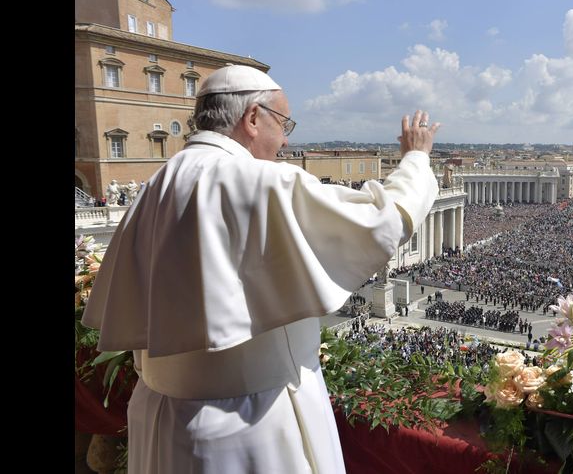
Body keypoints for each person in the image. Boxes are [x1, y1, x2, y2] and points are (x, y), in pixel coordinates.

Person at [81, 65, 441, 474]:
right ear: (253, 118)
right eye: (284, 123)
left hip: (165, 419)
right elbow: (382, 221)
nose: (287, 139)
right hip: (251, 425)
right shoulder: (259, 181)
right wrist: (416, 158)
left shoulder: (157, 185)